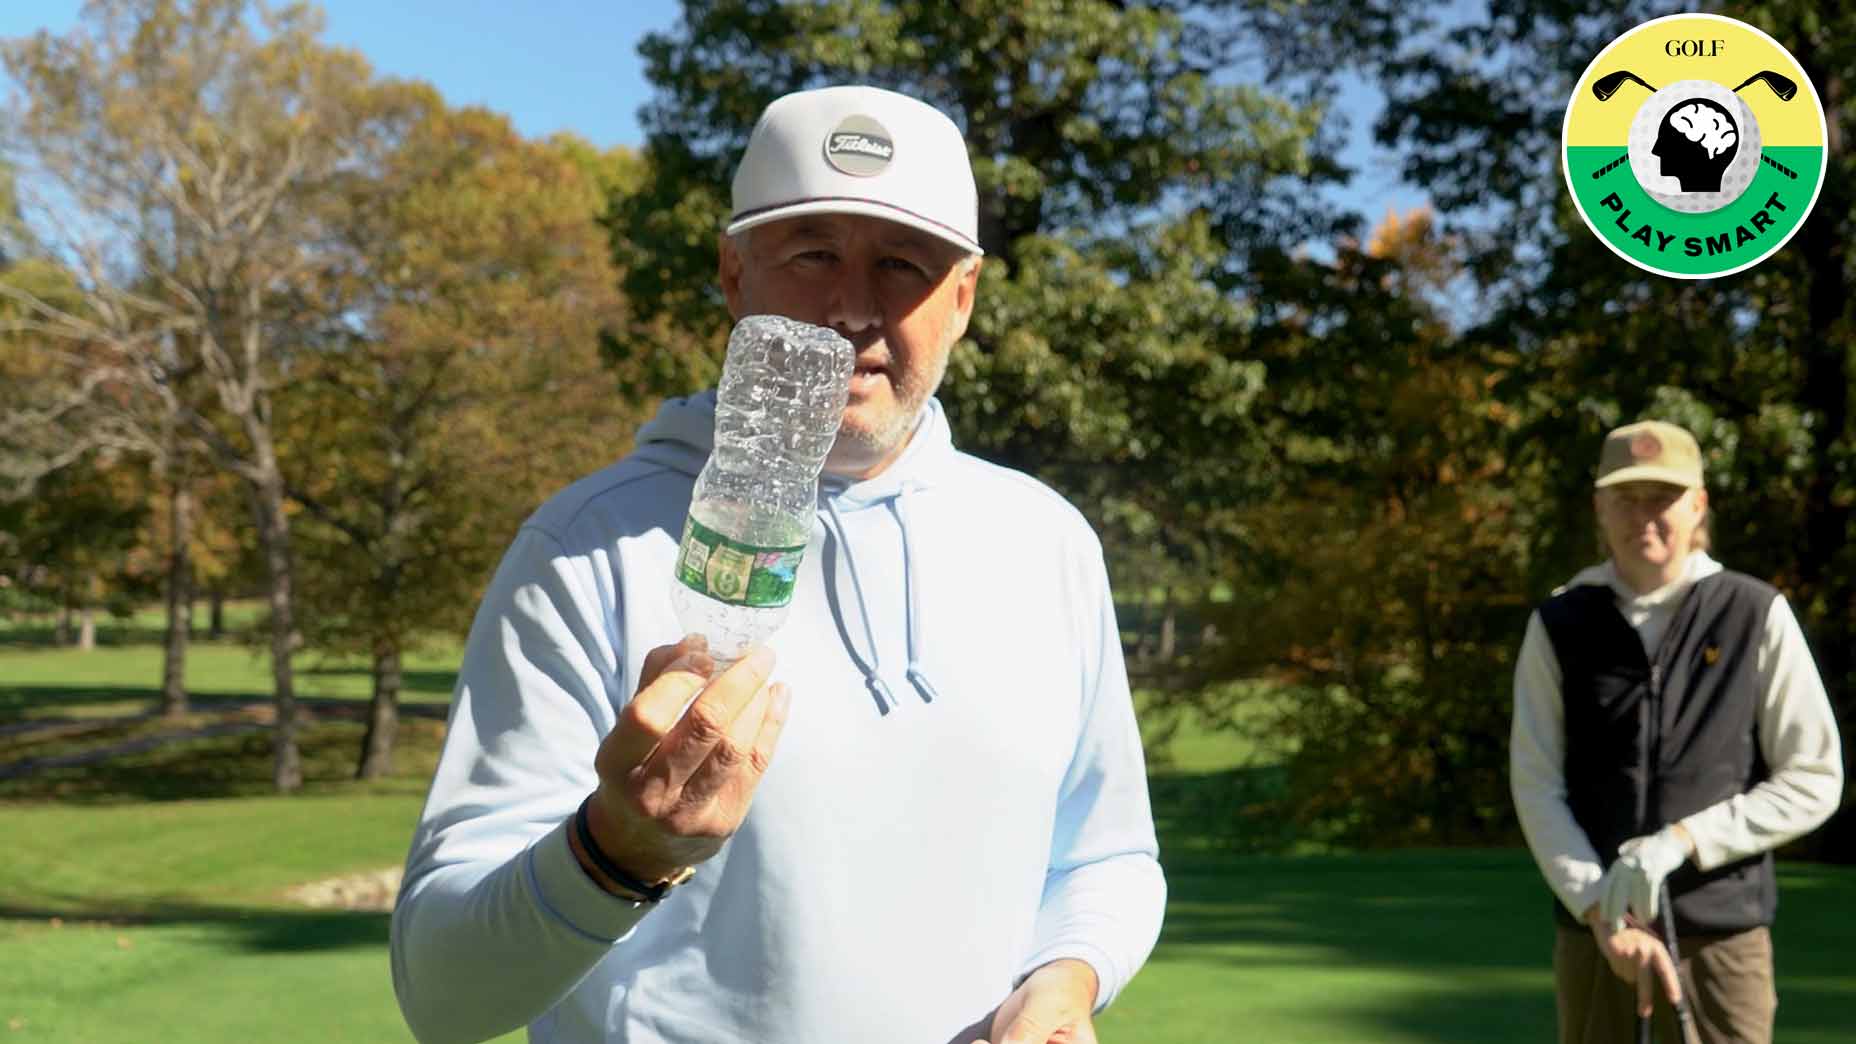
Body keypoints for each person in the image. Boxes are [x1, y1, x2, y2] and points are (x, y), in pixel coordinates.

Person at [389, 84, 1166, 1044]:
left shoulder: (1045, 542)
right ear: (733, 274)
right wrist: (615, 851)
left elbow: (1107, 856)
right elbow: (443, 995)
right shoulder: (586, 548)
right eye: (809, 254)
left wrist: (1064, 982)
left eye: (902, 263)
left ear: (961, 298)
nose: (851, 308)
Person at [1510, 419, 1843, 1044]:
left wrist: (1683, 841)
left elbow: (1815, 777)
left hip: (1722, 941)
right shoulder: (1559, 623)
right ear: (1599, 507)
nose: (1645, 516)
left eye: (1662, 498)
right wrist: (1598, 906)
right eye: (1626, 498)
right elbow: (1536, 784)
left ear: (1697, 504)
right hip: (1595, 940)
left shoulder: (1754, 612)